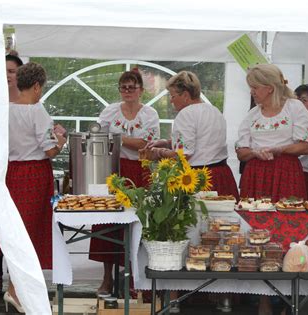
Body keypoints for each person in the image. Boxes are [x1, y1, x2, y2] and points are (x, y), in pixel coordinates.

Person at [89, 69, 160, 295]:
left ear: (141, 90)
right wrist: (127, 141)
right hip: (114, 170)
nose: (127, 91)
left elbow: (146, 146)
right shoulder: (110, 111)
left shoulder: (150, 113)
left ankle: (135, 280)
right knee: (107, 223)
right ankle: (107, 278)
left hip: (141, 171)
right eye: (123, 87)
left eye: (132, 87)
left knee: (138, 223)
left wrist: (117, 138)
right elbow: (98, 137)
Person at [3, 62, 67, 312]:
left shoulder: (7, 110)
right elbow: (49, 150)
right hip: (34, 174)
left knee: (17, 230)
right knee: (32, 231)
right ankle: (16, 290)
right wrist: (61, 139)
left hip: (13, 172)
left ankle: (18, 288)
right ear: (37, 85)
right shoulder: (37, 110)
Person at [141, 70, 239, 200]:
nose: (171, 101)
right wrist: (167, 142)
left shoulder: (186, 114)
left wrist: (159, 152)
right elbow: (202, 140)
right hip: (222, 174)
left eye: (173, 96)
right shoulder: (214, 110)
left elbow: (183, 155)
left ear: (186, 95)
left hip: (200, 179)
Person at [235, 64, 308, 203]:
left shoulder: (294, 107)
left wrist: (279, 149)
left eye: (255, 87)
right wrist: (254, 152)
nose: (251, 92)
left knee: (288, 216)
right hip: (256, 173)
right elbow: (241, 152)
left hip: (286, 172)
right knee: (254, 216)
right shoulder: (252, 114)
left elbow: (307, 146)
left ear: (270, 88)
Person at [0, 54, 24, 298]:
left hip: (19, 171)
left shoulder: (28, 102)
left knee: (15, 226)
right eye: (2, 70)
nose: (6, 75)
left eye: (11, 71)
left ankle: (15, 285)